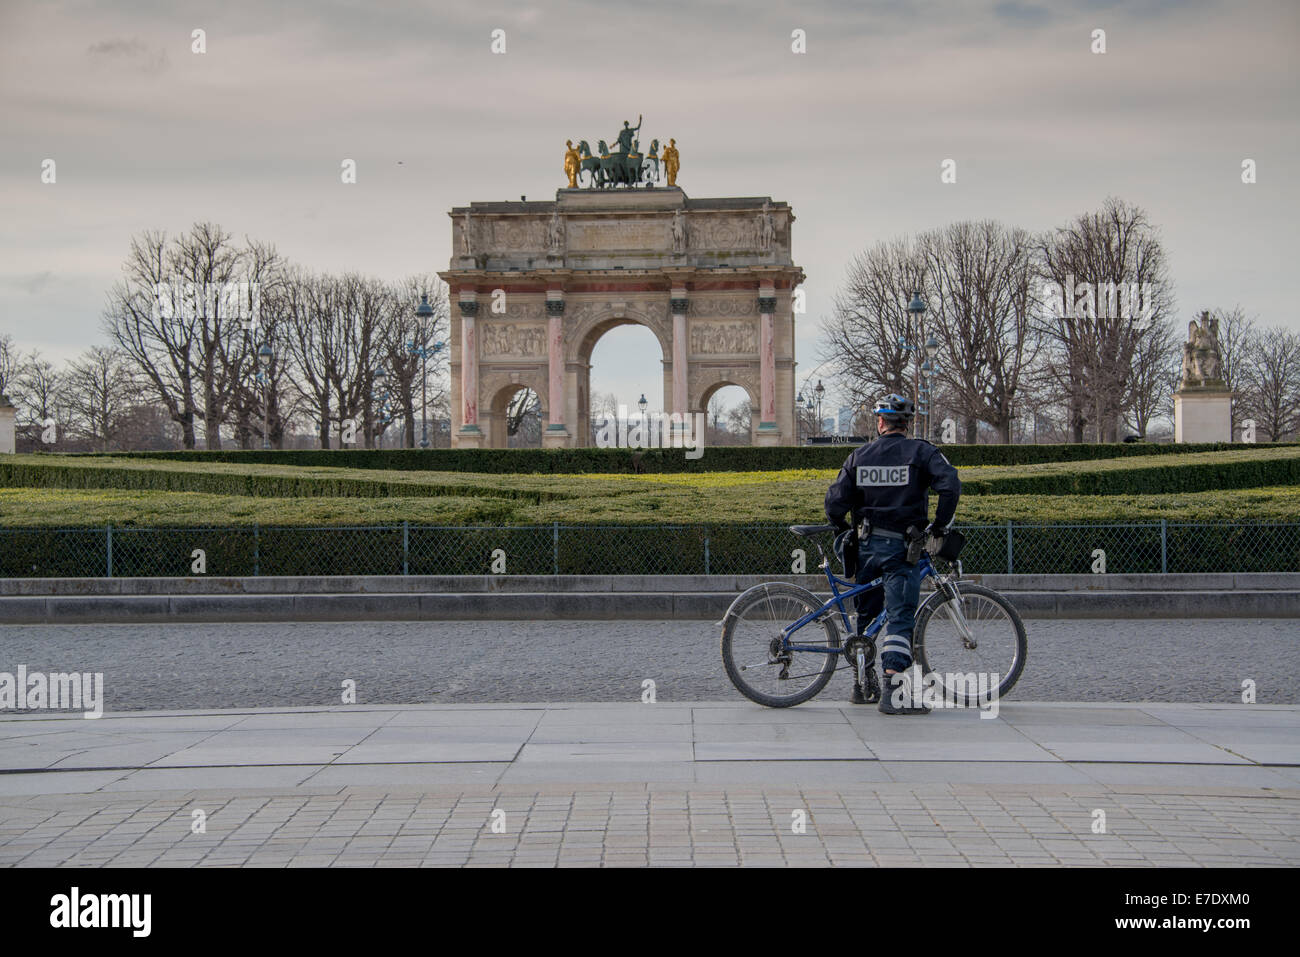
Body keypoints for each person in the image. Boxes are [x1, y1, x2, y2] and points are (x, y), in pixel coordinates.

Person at [824, 394, 961, 714]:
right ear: (907, 423)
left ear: (880, 423)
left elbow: (834, 503)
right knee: (900, 617)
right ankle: (892, 692)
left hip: (867, 547)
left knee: (866, 618)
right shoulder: (922, 452)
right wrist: (939, 526)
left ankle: (862, 684)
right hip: (903, 548)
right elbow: (950, 485)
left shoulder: (859, 456)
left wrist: (842, 527)